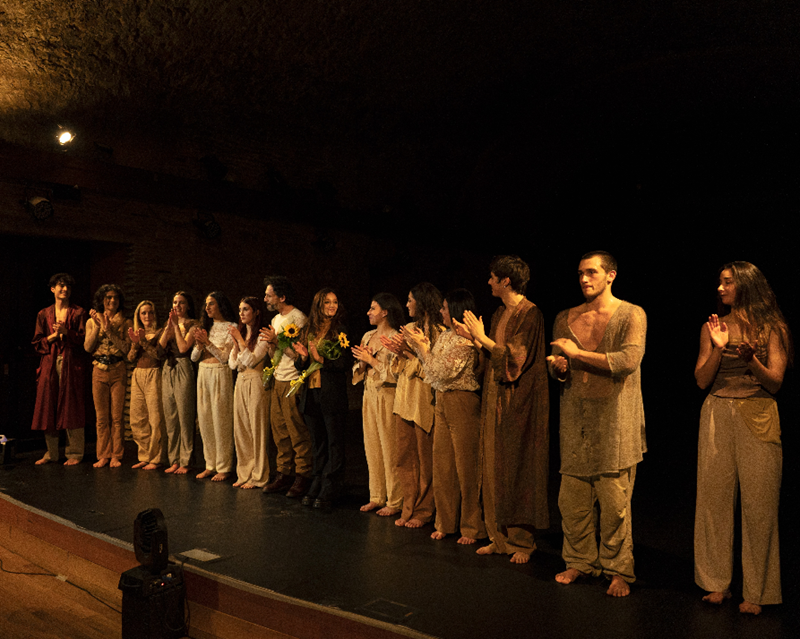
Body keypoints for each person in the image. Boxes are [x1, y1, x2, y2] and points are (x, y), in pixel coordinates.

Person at [693, 261, 791, 615]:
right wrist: (719, 348)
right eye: (719, 282)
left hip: (758, 412)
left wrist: (752, 361)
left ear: (746, 285)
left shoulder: (771, 327)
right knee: (713, 500)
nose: (720, 288)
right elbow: (702, 380)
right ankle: (715, 584)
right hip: (717, 412)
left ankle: (757, 592)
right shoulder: (714, 326)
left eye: (728, 282)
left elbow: (776, 381)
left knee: (759, 505)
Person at [548, 251, 646, 597]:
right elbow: (560, 366)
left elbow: (628, 360)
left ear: (611, 275)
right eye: (580, 274)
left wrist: (575, 356)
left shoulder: (631, 314)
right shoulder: (565, 317)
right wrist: (559, 368)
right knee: (572, 499)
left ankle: (617, 569)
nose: (584, 279)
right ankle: (578, 560)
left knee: (615, 503)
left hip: (615, 421)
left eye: (591, 272)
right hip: (575, 417)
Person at [456, 255, 549, 564]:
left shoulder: (530, 314)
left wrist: (482, 339)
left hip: (518, 402)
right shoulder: (498, 313)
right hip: (495, 397)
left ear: (506, 280)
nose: (489, 282)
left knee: (517, 465)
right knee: (492, 464)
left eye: (493, 277)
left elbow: (515, 359)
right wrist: (476, 341)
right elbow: (493, 359)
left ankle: (522, 540)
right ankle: (499, 537)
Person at [405, 289, 486, 544]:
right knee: (442, 466)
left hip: (462, 401)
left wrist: (422, 349)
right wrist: (423, 348)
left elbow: (441, 371)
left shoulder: (466, 340)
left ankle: (472, 527)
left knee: (466, 468)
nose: (441, 311)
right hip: (441, 400)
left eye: (445, 308)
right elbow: (432, 373)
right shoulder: (445, 337)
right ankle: (445, 522)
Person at [383, 283, 442, 528]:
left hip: (423, 399)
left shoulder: (439, 331)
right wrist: (399, 353)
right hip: (404, 398)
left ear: (422, 301)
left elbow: (432, 368)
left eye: (410, 300)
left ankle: (425, 509)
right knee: (404, 456)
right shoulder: (407, 328)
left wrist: (409, 354)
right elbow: (396, 368)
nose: (406, 305)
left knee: (425, 458)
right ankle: (408, 505)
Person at [293, 288, 350, 508]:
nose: (332, 306)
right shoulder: (308, 329)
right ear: (318, 305)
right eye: (327, 302)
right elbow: (300, 366)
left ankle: (331, 487)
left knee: (334, 442)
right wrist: (304, 358)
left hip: (331, 393)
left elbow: (344, 364)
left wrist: (321, 359)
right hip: (311, 392)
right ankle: (316, 482)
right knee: (318, 443)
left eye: (335, 302)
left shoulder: (339, 330)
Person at [352, 293, 404, 516]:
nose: (369, 312)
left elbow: (394, 374)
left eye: (373, 308)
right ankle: (376, 495)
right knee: (371, 446)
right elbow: (358, 371)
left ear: (385, 312)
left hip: (388, 396)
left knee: (389, 448)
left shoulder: (394, 338)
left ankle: (394, 499)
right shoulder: (367, 336)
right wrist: (363, 364)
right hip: (369, 395)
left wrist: (372, 360)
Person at [260, 276, 313, 498]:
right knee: (279, 430)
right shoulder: (275, 320)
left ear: (282, 297)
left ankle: (303, 474)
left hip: (293, 380)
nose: (265, 299)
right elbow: (275, 354)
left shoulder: (298, 319)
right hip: (278, 380)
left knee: (296, 429)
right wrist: (272, 345)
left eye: (269, 295)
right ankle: (284, 472)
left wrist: (277, 341)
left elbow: (298, 355)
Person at [31, 273, 86, 465]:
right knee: (49, 407)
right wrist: (53, 336)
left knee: (72, 406)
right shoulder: (43, 313)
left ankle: (75, 453)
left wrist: (66, 333)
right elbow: (37, 343)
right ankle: (51, 453)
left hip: (70, 363)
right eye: (61, 286)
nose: (65, 290)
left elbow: (83, 341)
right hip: (49, 363)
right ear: (53, 289)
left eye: (68, 287)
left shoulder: (78, 312)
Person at [191, 291, 237, 481]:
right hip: (203, 372)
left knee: (221, 420)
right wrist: (199, 345)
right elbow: (194, 358)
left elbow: (225, 358)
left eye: (212, 304)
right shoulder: (205, 327)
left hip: (219, 373)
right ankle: (210, 464)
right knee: (205, 420)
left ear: (221, 305)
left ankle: (224, 466)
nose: (207, 307)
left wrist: (207, 343)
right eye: (206, 304)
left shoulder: (231, 327)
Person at [85, 284, 131, 468]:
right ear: (102, 300)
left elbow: (126, 349)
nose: (112, 301)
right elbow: (88, 347)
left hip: (118, 368)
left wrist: (109, 330)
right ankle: (103, 454)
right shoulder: (91, 321)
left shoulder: (125, 322)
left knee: (117, 416)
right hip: (99, 368)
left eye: (115, 298)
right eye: (108, 297)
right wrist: (98, 326)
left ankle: (116, 455)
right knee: (101, 416)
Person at [228, 296, 271, 489]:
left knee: (257, 429)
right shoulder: (242, 334)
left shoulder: (262, 335)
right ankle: (244, 472)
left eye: (246, 309)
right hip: (241, 381)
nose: (241, 313)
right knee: (242, 429)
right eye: (240, 310)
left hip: (256, 380)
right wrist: (238, 344)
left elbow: (252, 361)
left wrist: (239, 340)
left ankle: (259, 475)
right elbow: (233, 363)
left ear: (256, 312)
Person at [158, 292, 198, 474]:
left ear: (188, 306)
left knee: (184, 415)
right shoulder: (170, 325)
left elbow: (183, 347)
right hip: (168, 367)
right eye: (175, 302)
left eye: (181, 303)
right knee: (171, 417)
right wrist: (168, 328)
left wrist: (175, 327)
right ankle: (173, 459)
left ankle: (186, 460)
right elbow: (159, 349)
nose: (178, 306)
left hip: (182, 366)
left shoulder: (193, 324)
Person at [128, 300, 167, 470]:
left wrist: (143, 341)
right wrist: (136, 343)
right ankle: (144, 454)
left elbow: (158, 355)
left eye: (150, 312)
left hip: (154, 373)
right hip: (138, 373)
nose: (147, 316)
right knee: (137, 417)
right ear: (138, 315)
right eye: (143, 313)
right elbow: (130, 358)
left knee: (155, 418)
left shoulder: (160, 331)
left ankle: (155, 457)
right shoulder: (138, 332)